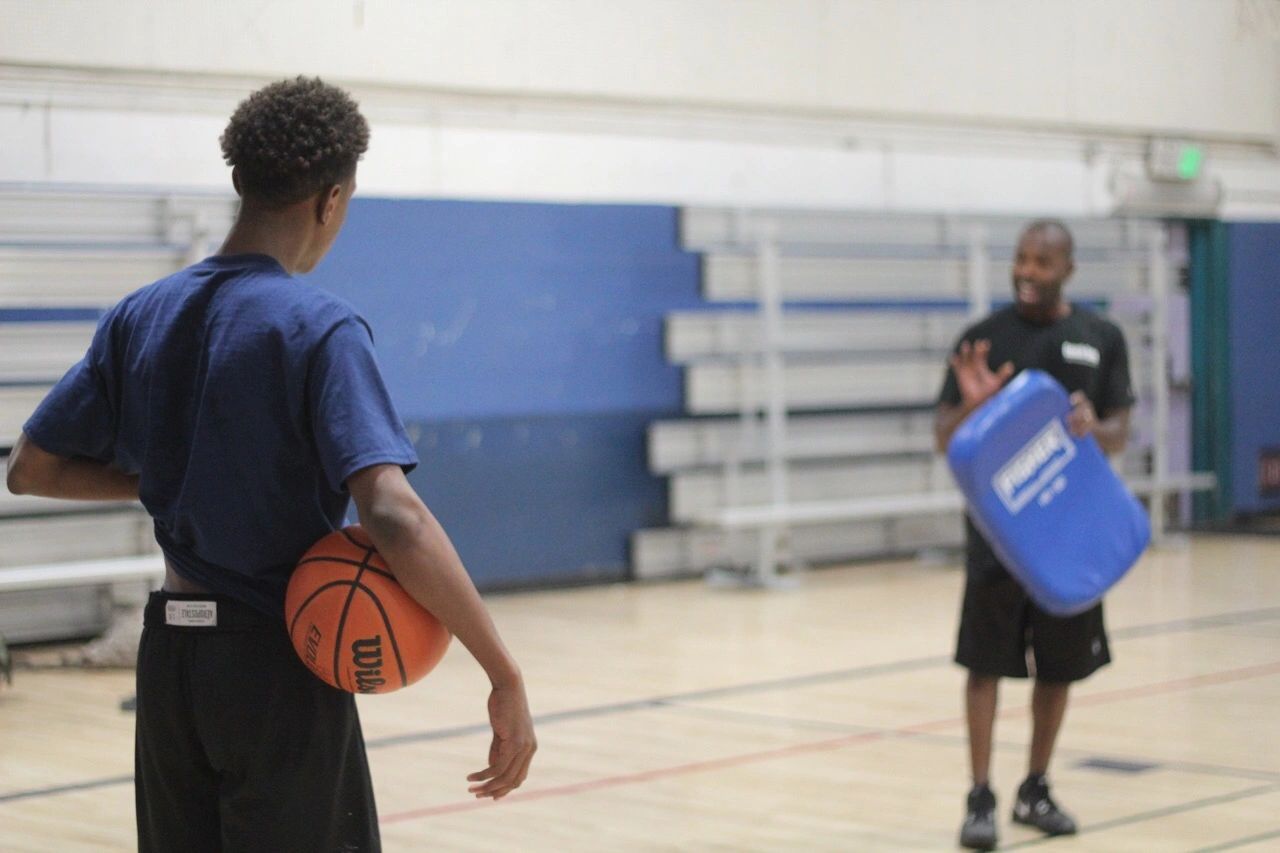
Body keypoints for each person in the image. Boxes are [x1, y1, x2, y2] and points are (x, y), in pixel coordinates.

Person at [6, 76, 536, 852]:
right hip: (276, 659)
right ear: (331, 201)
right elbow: (391, 512)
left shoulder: (140, 314)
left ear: (239, 181)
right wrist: (503, 672)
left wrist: (165, 479)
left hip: (171, 662)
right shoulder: (319, 326)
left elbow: (32, 468)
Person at [935, 220, 1134, 850]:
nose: (1026, 271)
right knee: (983, 667)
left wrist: (1094, 428)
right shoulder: (983, 339)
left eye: (1041, 262)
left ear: (1067, 268)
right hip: (997, 536)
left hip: (1070, 537)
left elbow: (1120, 431)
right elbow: (944, 437)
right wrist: (974, 403)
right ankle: (979, 796)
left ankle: (1035, 787)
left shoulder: (1101, 337)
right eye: (1020, 258)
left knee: (1058, 668)